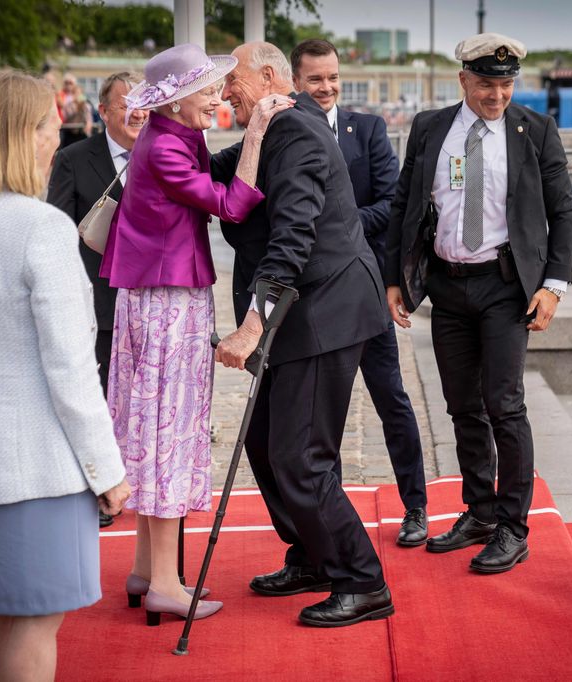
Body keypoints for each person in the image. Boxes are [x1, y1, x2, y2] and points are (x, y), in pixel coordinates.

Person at [0, 69, 130, 681]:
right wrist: (108, 469)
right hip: (40, 461)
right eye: (50, 124)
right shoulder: (40, 227)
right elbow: (70, 368)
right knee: (36, 620)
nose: (57, 136)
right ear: (23, 134)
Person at [100, 43, 290, 625]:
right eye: (207, 90)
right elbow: (231, 206)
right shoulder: (164, 146)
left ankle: (144, 570)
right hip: (166, 302)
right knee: (167, 432)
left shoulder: (170, 137)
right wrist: (257, 133)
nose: (217, 98)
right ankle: (162, 581)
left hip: (161, 297)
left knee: (160, 428)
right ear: (178, 98)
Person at [211, 41, 393, 627]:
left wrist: (250, 327)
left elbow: (293, 240)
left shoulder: (298, 134)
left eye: (232, 80)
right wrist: (161, 139)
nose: (225, 94)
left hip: (325, 316)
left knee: (300, 455)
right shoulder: (274, 125)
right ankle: (314, 555)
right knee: (265, 445)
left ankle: (361, 580)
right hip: (305, 315)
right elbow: (217, 170)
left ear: (267, 76)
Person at [384, 33, 572, 574]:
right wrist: (394, 276)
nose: (498, 95)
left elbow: (563, 212)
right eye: (488, 84)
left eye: (507, 84)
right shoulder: (429, 128)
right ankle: (481, 512)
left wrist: (554, 285)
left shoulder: (535, 130)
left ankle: (514, 526)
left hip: (505, 285)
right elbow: (404, 201)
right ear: (464, 79)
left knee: (504, 404)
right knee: (461, 406)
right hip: (446, 286)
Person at [290, 38, 428, 546]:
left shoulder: (366, 130)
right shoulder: (286, 130)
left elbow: (393, 202)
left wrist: (337, 226)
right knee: (326, 411)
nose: (325, 88)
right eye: (314, 80)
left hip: (364, 289)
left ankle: (415, 506)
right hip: (313, 298)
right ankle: (331, 513)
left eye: (333, 78)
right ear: (295, 80)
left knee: (391, 397)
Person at [47, 72, 148, 529]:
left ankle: (143, 482)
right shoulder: (72, 159)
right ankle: (98, 487)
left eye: (144, 103)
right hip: (98, 300)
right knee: (101, 394)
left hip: (153, 298)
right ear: (103, 111)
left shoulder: (164, 152)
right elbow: (58, 231)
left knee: (146, 395)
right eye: (125, 104)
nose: (136, 112)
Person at [58, 73, 93, 148]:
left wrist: (88, 122)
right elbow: (65, 116)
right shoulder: (66, 101)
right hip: (69, 133)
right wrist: (74, 105)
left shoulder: (85, 105)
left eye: (80, 94)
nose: (68, 85)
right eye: (66, 83)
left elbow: (89, 117)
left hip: (80, 132)